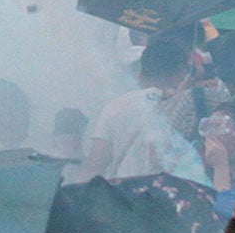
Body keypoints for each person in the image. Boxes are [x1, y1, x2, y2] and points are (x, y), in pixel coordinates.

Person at [81, 38, 207, 184]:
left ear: (141, 74)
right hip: (167, 196)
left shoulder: (116, 106)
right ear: (182, 74)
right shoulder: (190, 107)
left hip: (121, 193)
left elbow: (96, 166)